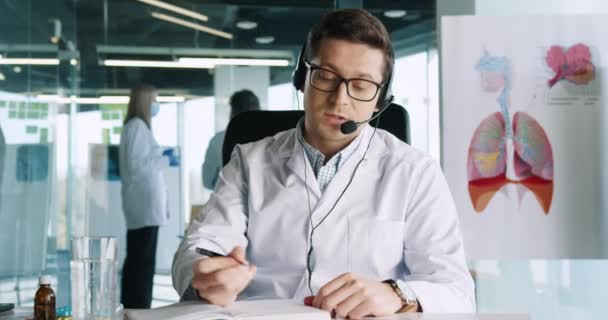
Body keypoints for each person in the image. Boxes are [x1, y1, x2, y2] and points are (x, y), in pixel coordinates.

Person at [172, 8, 475, 318]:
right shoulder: (249, 161)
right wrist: (205, 274)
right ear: (303, 79)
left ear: (381, 100)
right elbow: (200, 246)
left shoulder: (415, 172)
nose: (340, 99)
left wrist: (397, 294)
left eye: (361, 86)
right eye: (326, 77)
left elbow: (455, 289)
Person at [119, 83, 179, 308]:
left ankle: (135, 304)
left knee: (138, 259)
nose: (156, 105)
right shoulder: (136, 127)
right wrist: (164, 158)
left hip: (142, 206)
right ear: (145, 101)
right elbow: (137, 166)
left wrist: (158, 157)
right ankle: (138, 306)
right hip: (144, 205)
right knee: (141, 262)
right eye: (154, 100)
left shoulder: (136, 127)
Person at [202, 89, 260, 190]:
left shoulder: (218, 140)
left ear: (232, 111)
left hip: (228, 201)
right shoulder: (274, 139)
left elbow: (207, 181)